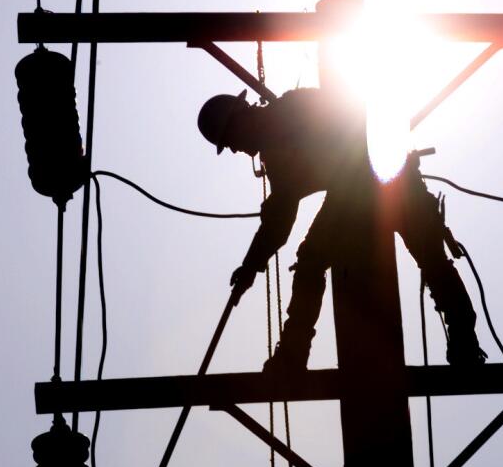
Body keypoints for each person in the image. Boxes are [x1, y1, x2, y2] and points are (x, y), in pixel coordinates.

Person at [198, 87, 487, 372]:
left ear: (240, 118)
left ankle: (293, 355)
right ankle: (465, 342)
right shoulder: (279, 142)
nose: (236, 149)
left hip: (368, 182)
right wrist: (251, 264)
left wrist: (251, 265)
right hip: (390, 180)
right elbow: (279, 220)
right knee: (431, 259)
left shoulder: (288, 116)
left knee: (312, 260)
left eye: (231, 140)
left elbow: (279, 220)